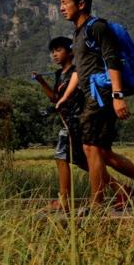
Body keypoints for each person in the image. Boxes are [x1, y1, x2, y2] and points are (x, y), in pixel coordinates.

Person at [55, 0, 134, 209]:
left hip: (102, 96)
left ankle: (97, 203)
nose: (61, 8)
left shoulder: (97, 28)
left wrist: (118, 96)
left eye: (64, 3)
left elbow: (112, 60)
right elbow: (80, 69)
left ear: (81, 4)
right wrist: (65, 96)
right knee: (104, 153)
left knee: (91, 148)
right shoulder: (78, 33)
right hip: (91, 96)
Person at [32, 36, 88, 211]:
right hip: (67, 123)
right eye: (52, 52)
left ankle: (64, 200)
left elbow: (70, 98)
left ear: (70, 51)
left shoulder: (75, 72)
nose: (54, 55)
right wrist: (42, 82)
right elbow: (55, 99)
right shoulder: (59, 74)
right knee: (83, 162)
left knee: (63, 157)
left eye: (58, 50)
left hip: (76, 122)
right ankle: (122, 190)